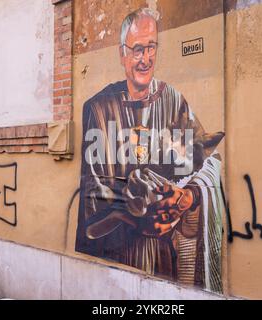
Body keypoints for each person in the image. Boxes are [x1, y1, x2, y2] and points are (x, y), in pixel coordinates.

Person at [75, 8, 224, 292]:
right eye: (137, 49)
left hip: (164, 263)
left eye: (151, 47)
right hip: (117, 263)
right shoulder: (98, 109)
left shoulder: (173, 101)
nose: (145, 59)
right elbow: (92, 209)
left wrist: (187, 196)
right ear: (122, 54)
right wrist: (135, 218)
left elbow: (206, 161)